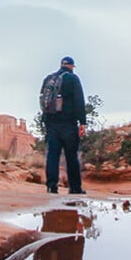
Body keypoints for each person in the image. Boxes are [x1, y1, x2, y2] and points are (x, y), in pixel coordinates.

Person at [43, 56, 86, 194]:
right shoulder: (73, 79)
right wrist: (82, 122)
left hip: (51, 123)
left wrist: (46, 121)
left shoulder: (49, 78)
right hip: (68, 123)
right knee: (71, 156)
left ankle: (51, 186)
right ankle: (75, 188)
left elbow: (43, 101)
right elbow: (79, 101)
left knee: (53, 155)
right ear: (72, 66)